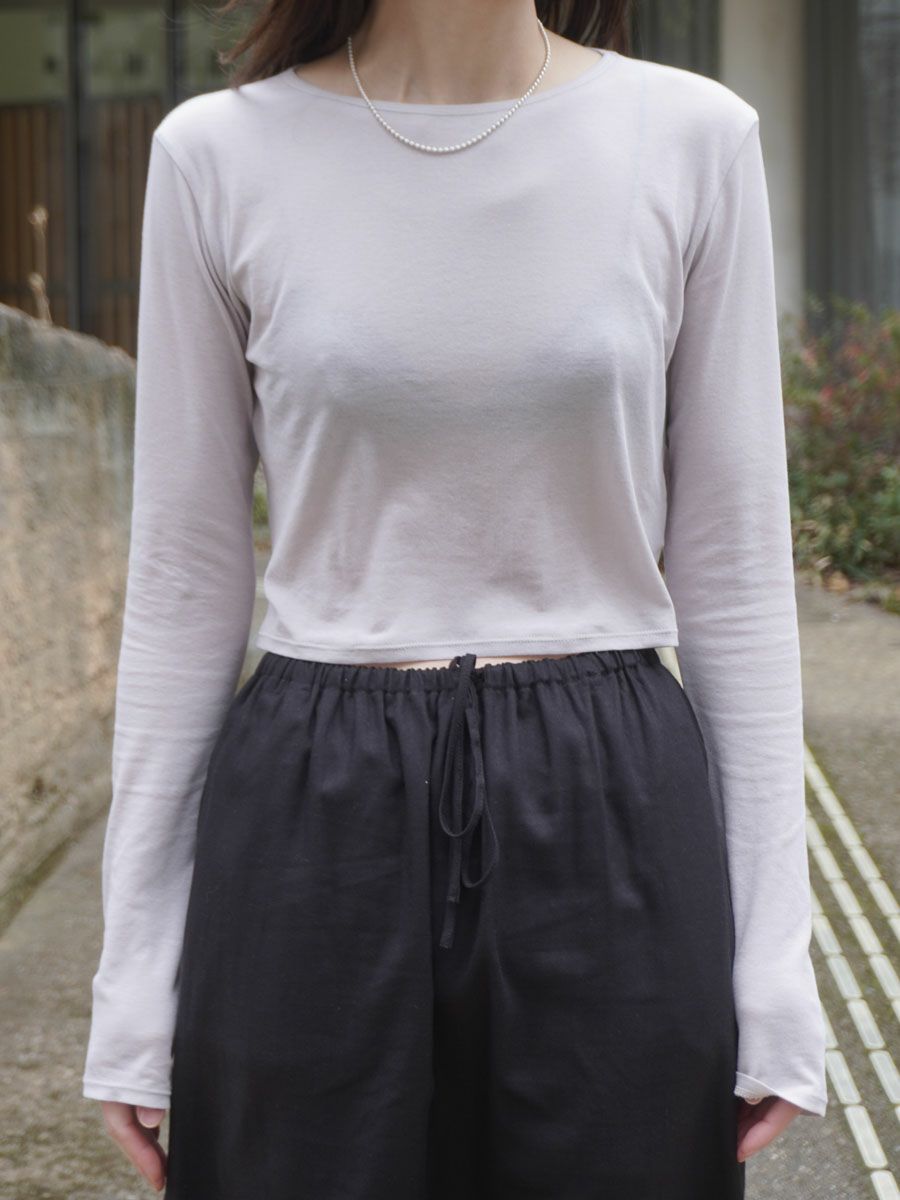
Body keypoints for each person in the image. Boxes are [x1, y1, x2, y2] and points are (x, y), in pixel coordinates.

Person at [81, 0, 829, 1195]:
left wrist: (775, 960)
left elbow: (733, 569)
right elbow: (185, 575)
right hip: (311, 814)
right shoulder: (217, 155)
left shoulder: (694, 137)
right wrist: (135, 971)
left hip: (613, 801)